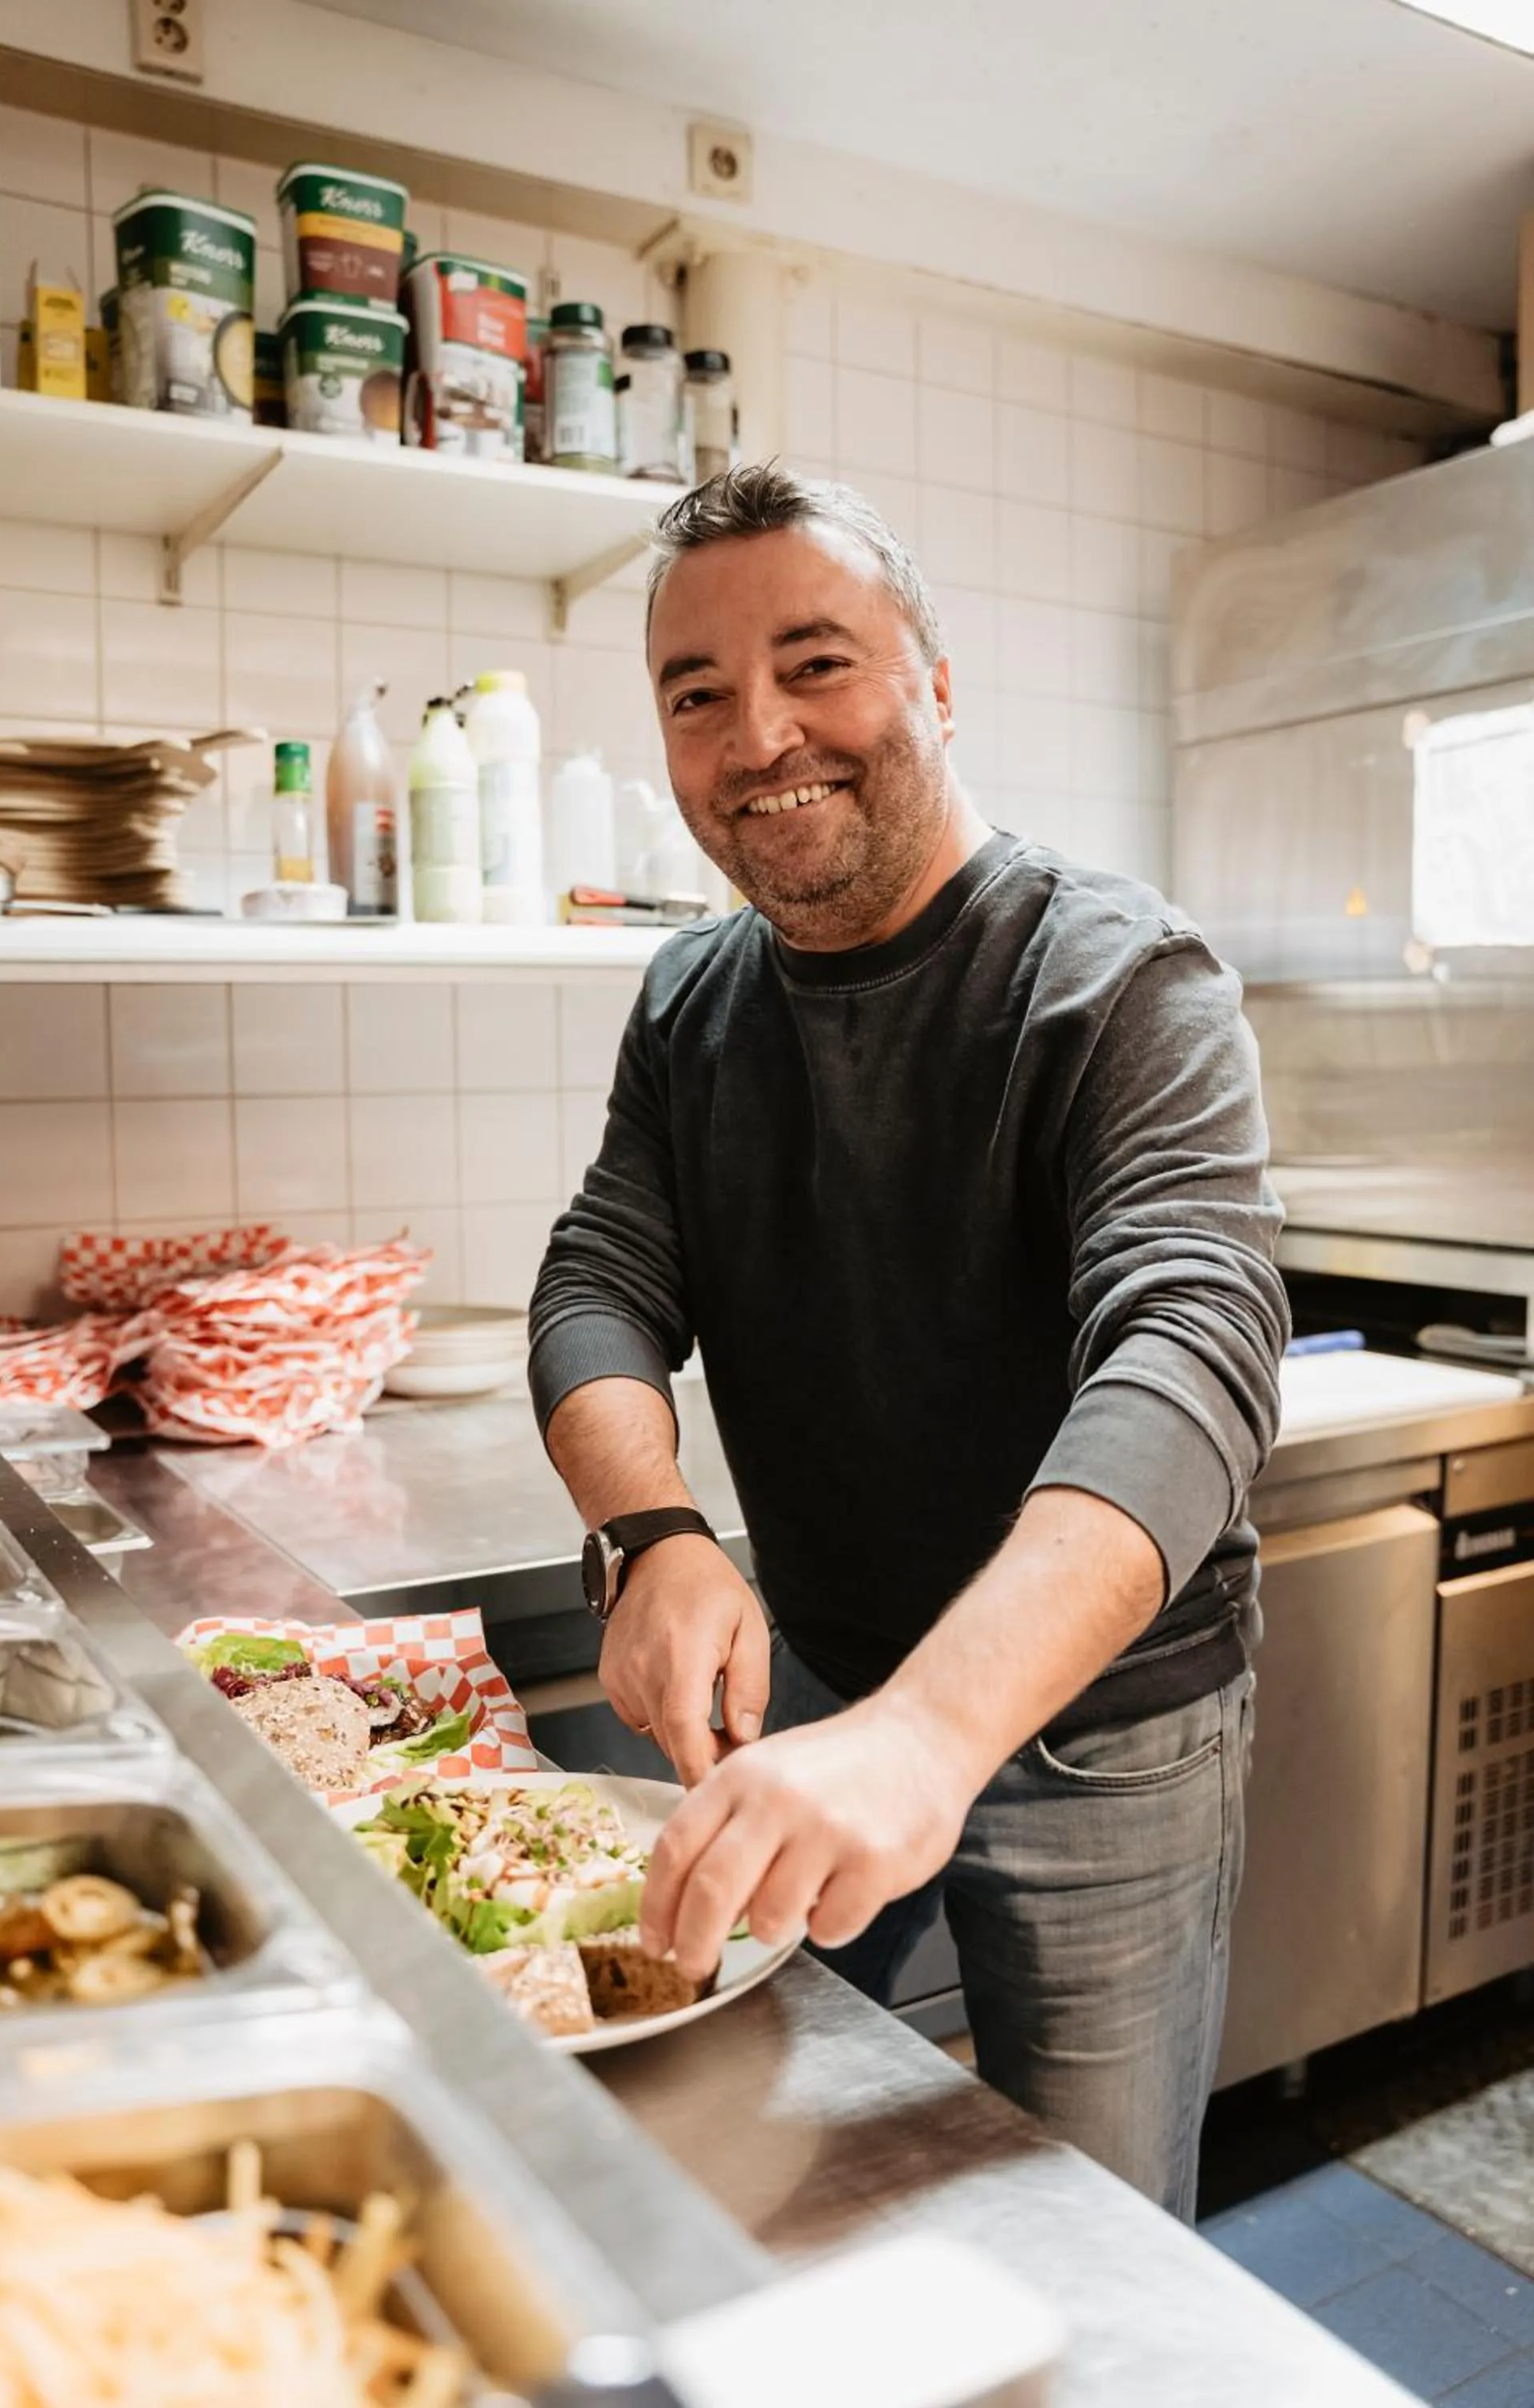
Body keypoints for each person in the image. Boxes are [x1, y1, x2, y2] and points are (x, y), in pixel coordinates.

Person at [528, 462, 1288, 2219]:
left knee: (1089, 2223)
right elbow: (598, 1279)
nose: (759, 734)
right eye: (696, 693)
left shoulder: (1115, 976)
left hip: (1101, 1727)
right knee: (747, 2153)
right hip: (816, 1677)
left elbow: (1194, 1344)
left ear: (934, 685)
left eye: (817, 664)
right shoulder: (693, 997)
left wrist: (933, 1731)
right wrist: (651, 1537)